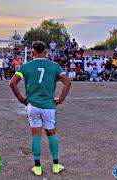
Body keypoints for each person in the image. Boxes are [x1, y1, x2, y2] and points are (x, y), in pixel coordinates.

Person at [9, 41, 71, 176]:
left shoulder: (26, 66)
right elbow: (67, 81)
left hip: (33, 105)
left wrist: (21, 99)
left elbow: (12, 82)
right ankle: (55, 165)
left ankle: (37, 167)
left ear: (33, 52)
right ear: (45, 51)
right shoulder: (54, 66)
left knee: (36, 135)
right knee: (51, 135)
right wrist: (60, 99)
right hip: (49, 106)